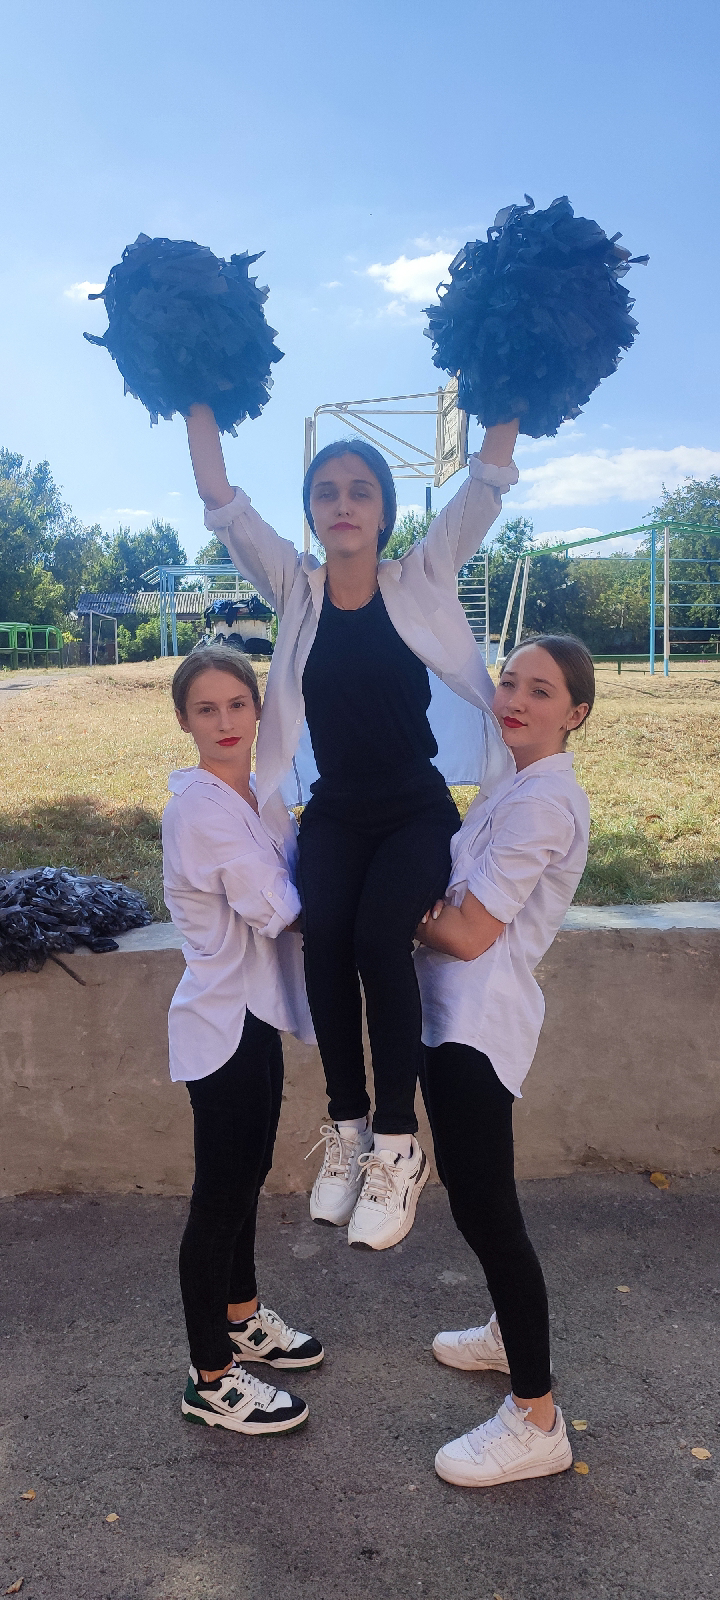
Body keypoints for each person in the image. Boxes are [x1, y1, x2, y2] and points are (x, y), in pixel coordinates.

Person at [184, 404, 518, 1251]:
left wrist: (513, 392)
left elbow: (482, 489)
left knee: (378, 936)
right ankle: (349, 1130)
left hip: (413, 807)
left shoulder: (421, 575)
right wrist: (195, 397)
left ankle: (400, 1146)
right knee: (323, 931)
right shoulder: (294, 587)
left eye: (361, 491)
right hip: (334, 808)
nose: (343, 504)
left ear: (383, 512)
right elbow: (222, 500)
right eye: (327, 492)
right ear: (311, 510)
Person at [414, 634, 594, 1488]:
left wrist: (381, 897)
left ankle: (537, 1418)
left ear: (576, 713)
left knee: (490, 1212)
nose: (516, 700)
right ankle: (503, 1336)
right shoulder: (511, 784)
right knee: (474, 1197)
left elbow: (466, 932)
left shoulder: (544, 803)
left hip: (479, 1026)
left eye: (542, 691)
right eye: (511, 682)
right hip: (449, 1016)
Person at [163, 645, 322, 1435]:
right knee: (220, 1197)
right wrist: (378, 911)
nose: (224, 722)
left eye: (237, 704)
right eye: (206, 709)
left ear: (258, 710)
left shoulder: (260, 794)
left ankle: (243, 1316)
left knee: (250, 1172)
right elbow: (281, 907)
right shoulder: (199, 808)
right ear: (184, 720)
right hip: (221, 1021)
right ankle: (211, 1380)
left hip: (257, 1011)